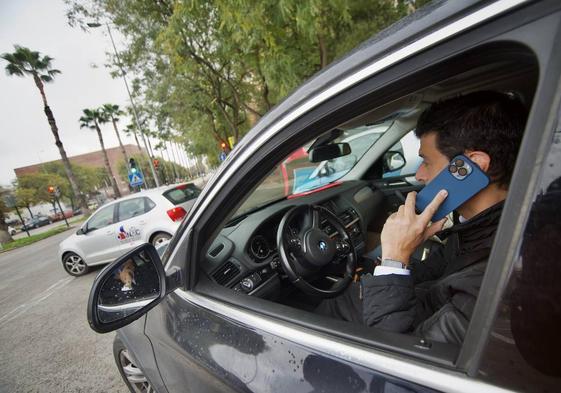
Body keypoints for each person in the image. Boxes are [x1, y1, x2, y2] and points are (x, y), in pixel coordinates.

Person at [316, 90, 528, 344]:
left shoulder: (493, 282)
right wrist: (395, 260)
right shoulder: (480, 229)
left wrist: (394, 259)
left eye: (426, 162)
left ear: (473, 166)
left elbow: (397, 355)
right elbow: (431, 272)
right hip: (406, 309)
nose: (419, 175)